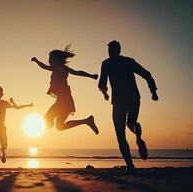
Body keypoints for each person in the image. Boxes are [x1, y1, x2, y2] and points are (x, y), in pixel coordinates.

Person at [98, 40, 158, 174]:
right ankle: (137, 132)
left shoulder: (106, 64)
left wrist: (105, 94)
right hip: (134, 98)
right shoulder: (129, 61)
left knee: (120, 134)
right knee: (131, 123)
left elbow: (102, 83)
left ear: (109, 51)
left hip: (119, 100)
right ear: (119, 50)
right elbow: (146, 74)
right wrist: (153, 91)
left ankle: (130, 166)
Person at [31, 45, 99, 134]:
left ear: (56, 60)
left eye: (50, 59)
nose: (49, 61)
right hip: (63, 100)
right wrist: (90, 76)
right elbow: (76, 72)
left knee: (50, 122)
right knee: (59, 126)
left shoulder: (58, 68)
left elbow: (77, 72)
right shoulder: (61, 68)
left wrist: (36, 61)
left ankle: (87, 121)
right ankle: (87, 121)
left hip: (64, 100)